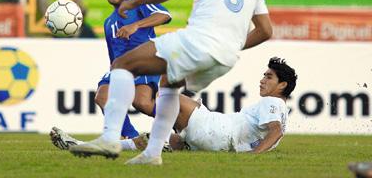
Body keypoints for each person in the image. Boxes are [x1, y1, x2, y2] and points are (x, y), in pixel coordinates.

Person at [69, 0, 273, 165]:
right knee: (168, 85)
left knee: (122, 65)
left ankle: (111, 139)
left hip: (197, 41)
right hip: (225, 59)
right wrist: (231, 45)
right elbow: (265, 30)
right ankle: (152, 154)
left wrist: (133, 4)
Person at [51, 57, 296, 154]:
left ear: (282, 85)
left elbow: (276, 131)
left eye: (269, 77)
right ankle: (84, 147)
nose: (262, 80)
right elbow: (274, 133)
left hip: (217, 130)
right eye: (263, 75)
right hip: (217, 143)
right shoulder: (280, 108)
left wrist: (254, 156)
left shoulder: (272, 102)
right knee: (154, 142)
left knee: (164, 99)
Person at [51, 0, 172, 143]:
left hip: (146, 61)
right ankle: (132, 137)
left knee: (142, 103)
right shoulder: (109, 23)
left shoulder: (139, 1)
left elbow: (164, 15)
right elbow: (113, 57)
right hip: (122, 67)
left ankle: (183, 122)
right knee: (102, 96)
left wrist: (136, 25)